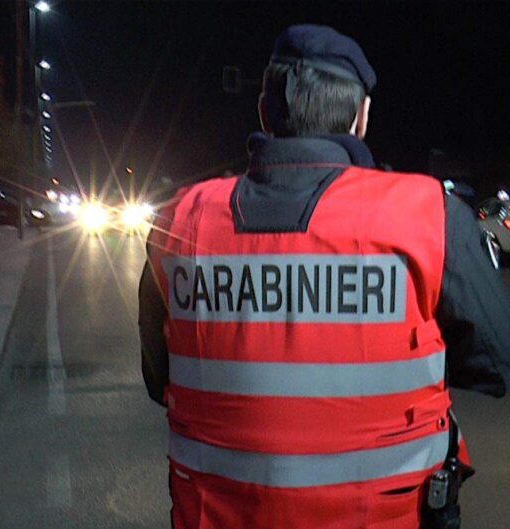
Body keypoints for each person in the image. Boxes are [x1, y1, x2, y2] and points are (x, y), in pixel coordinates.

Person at [138, 24, 510, 529]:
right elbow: (495, 362)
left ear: (265, 113)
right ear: (361, 118)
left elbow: (160, 378)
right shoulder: (427, 214)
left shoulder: (181, 220)